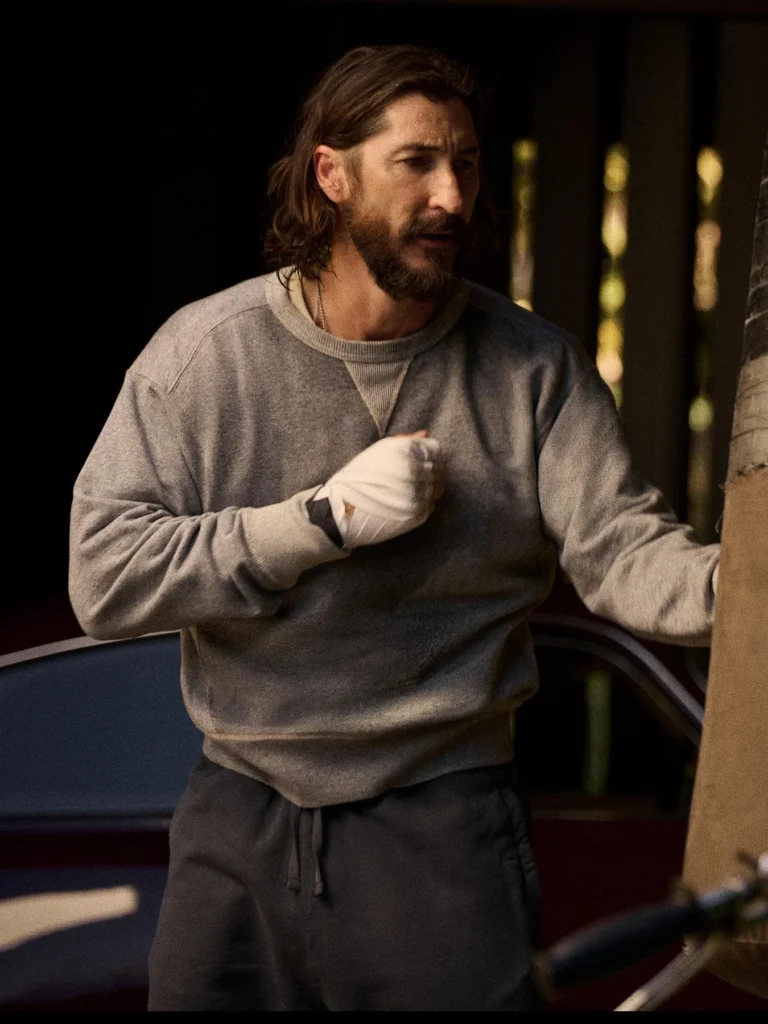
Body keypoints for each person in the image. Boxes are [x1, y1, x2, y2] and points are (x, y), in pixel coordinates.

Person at [68, 44, 720, 1011]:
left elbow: (625, 553)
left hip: (443, 821)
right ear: (332, 175)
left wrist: (741, 587)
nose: (452, 196)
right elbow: (103, 577)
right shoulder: (205, 356)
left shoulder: (533, 369)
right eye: (416, 162)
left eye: (467, 164)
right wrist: (318, 522)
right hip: (236, 815)